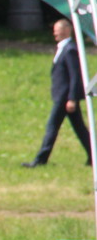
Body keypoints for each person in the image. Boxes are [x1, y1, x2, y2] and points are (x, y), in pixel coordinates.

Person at [23, 18, 93, 167]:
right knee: (80, 128)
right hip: (63, 96)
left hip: (64, 97)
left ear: (67, 30)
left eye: (58, 30)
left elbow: (75, 76)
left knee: (52, 127)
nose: (55, 33)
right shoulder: (63, 48)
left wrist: (72, 98)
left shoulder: (70, 50)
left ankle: (41, 160)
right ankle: (94, 156)